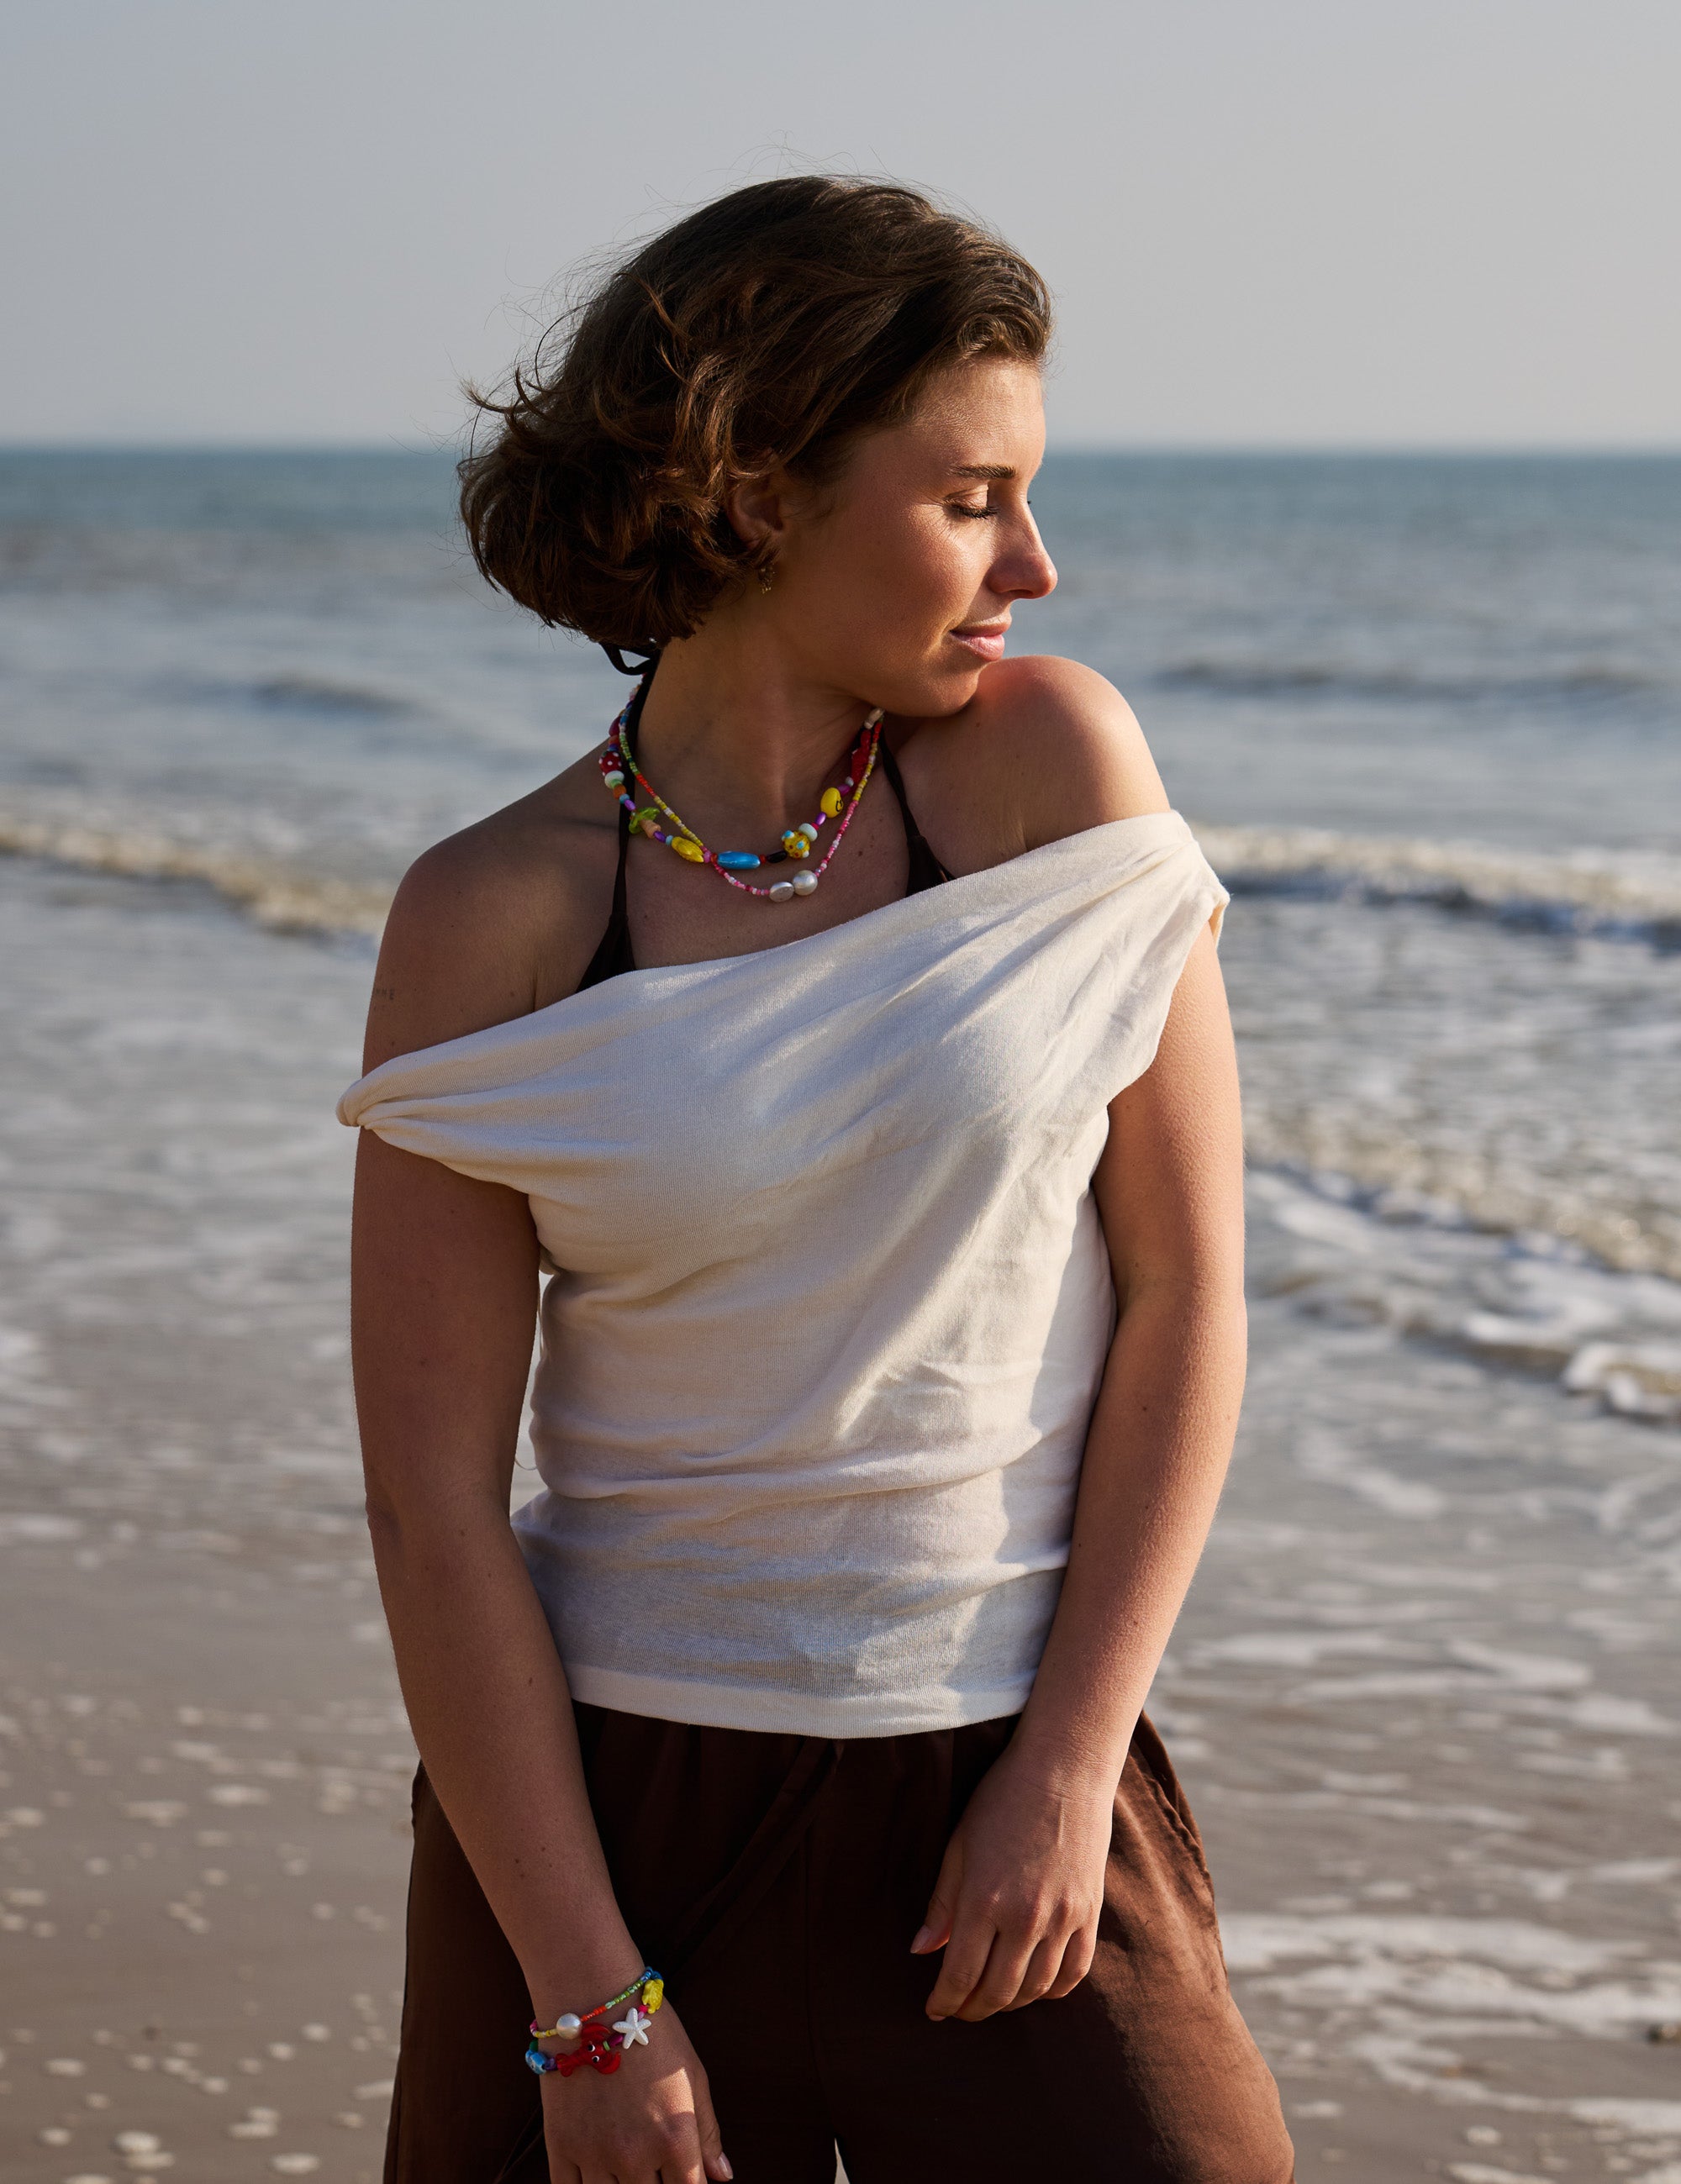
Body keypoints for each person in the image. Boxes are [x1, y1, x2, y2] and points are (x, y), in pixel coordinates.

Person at [339, 175, 1294, 2184]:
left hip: (1000, 1767)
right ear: (757, 491)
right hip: (610, 1820)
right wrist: (585, 1992)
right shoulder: (497, 910)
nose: (1033, 560)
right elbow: (432, 1500)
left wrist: (1065, 1766)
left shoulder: (1047, 774)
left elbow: (1189, 1290)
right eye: (969, 498)